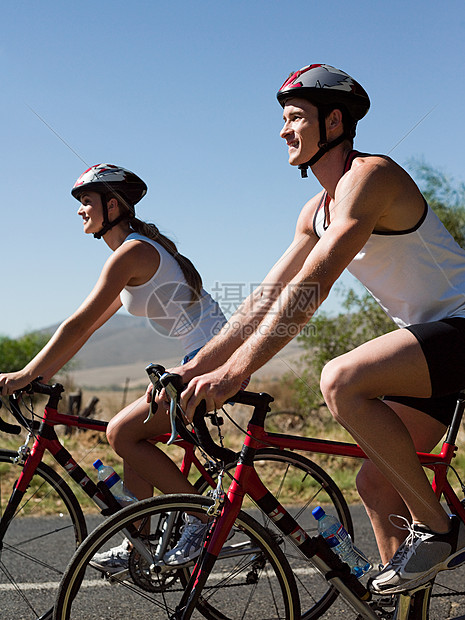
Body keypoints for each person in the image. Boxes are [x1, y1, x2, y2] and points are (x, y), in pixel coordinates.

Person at [168, 64, 465, 594]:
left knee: (342, 379)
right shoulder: (315, 210)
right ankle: (403, 602)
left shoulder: (371, 176)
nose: (283, 130)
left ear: (333, 122)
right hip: (433, 346)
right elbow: (264, 298)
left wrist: (236, 373)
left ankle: (442, 531)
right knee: (377, 482)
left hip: (461, 329)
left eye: (294, 117)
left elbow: (313, 286)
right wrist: (195, 366)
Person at [0, 163, 227, 572]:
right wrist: (39, 375)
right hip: (197, 356)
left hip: (211, 357)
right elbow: (85, 330)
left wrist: (23, 376)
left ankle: (204, 518)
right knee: (131, 434)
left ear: (111, 205)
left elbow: (77, 323)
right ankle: (138, 537)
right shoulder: (133, 253)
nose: (80, 211)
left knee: (121, 431)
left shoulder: (133, 253)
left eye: (86, 202)